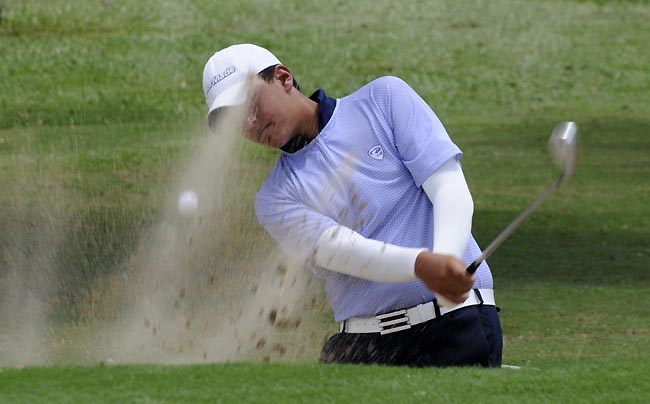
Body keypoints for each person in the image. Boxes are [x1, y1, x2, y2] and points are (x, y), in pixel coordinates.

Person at [202, 43, 502, 367]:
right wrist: (423, 265)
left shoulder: (384, 100)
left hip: (454, 325)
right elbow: (340, 251)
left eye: (251, 104)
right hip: (362, 343)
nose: (249, 124)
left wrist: (447, 259)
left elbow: (448, 186)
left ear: (284, 78)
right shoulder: (274, 199)